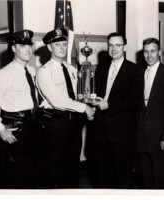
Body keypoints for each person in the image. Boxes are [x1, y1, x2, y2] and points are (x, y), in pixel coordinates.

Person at [37, 28, 95, 188]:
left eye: (64, 44)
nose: (62, 48)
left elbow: (78, 95)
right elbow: (57, 101)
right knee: (56, 169)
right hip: (56, 125)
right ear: (49, 48)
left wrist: (91, 104)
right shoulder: (44, 72)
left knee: (72, 167)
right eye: (57, 45)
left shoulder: (71, 69)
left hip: (74, 123)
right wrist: (85, 108)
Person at [86, 32, 143, 189]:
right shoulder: (102, 68)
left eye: (118, 45)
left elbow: (135, 99)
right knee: (103, 173)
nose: (114, 49)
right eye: (111, 45)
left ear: (124, 46)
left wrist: (110, 105)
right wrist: (91, 106)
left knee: (122, 176)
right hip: (100, 130)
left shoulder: (135, 70)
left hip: (123, 132)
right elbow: (97, 94)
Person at [137, 38, 164, 189]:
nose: (149, 55)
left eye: (153, 51)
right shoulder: (140, 73)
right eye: (146, 51)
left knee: (162, 180)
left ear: (159, 53)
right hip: (143, 137)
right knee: (147, 180)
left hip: (160, 138)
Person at [0, 29, 41, 188]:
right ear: (13, 48)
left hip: (32, 128)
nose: (28, 49)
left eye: (29, 45)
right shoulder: (4, 74)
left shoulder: (30, 71)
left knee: (32, 173)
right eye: (22, 46)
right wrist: (1, 130)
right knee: (15, 176)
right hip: (15, 129)